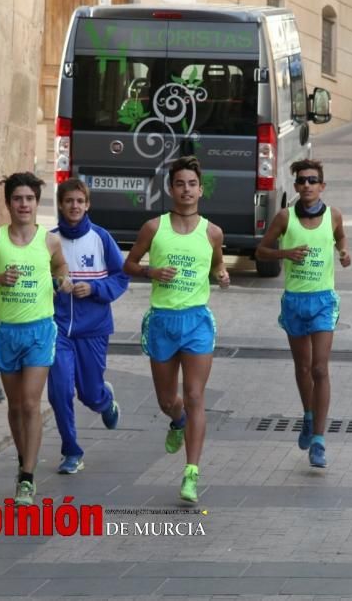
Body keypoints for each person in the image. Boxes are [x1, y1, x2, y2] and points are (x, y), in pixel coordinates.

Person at [123, 157, 230, 503]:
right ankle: (177, 418)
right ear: (171, 189)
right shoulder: (154, 228)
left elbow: (217, 266)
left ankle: (191, 474)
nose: (186, 190)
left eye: (192, 184)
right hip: (162, 322)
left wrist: (222, 276)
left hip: (197, 322)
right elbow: (128, 264)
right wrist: (150, 272)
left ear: (201, 189)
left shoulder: (212, 232)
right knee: (168, 399)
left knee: (197, 395)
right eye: (180, 184)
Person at [0, 172, 73, 506]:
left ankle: (27, 477)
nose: (24, 204)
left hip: (40, 330)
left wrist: (63, 282)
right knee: (15, 407)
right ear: (9, 203)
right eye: (18, 199)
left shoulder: (49, 240)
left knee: (30, 403)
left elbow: (61, 269)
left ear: (36, 202)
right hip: (8, 332)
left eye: (29, 198)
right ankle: (24, 458)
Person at [255, 159, 351, 469]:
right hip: (295, 301)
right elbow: (261, 251)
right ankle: (308, 416)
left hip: (323, 300)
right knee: (303, 367)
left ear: (322, 186)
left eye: (313, 180)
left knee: (320, 369)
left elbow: (340, 237)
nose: (307, 185)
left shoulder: (334, 215)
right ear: (295, 186)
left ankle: (319, 440)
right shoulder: (285, 218)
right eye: (302, 181)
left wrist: (344, 252)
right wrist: (285, 253)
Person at [47, 178, 130, 474]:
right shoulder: (48, 240)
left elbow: (121, 278)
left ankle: (105, 401)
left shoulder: (101, 238)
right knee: (59, 390)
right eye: (69, 201)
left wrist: (93, 289)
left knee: (89, 393)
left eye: (79, 201)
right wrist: (55, 283)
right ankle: (71, 451)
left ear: (87, 205)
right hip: (57, 330)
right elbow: (37, 280)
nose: (74, 206)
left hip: (93, 328)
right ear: (60, 204)